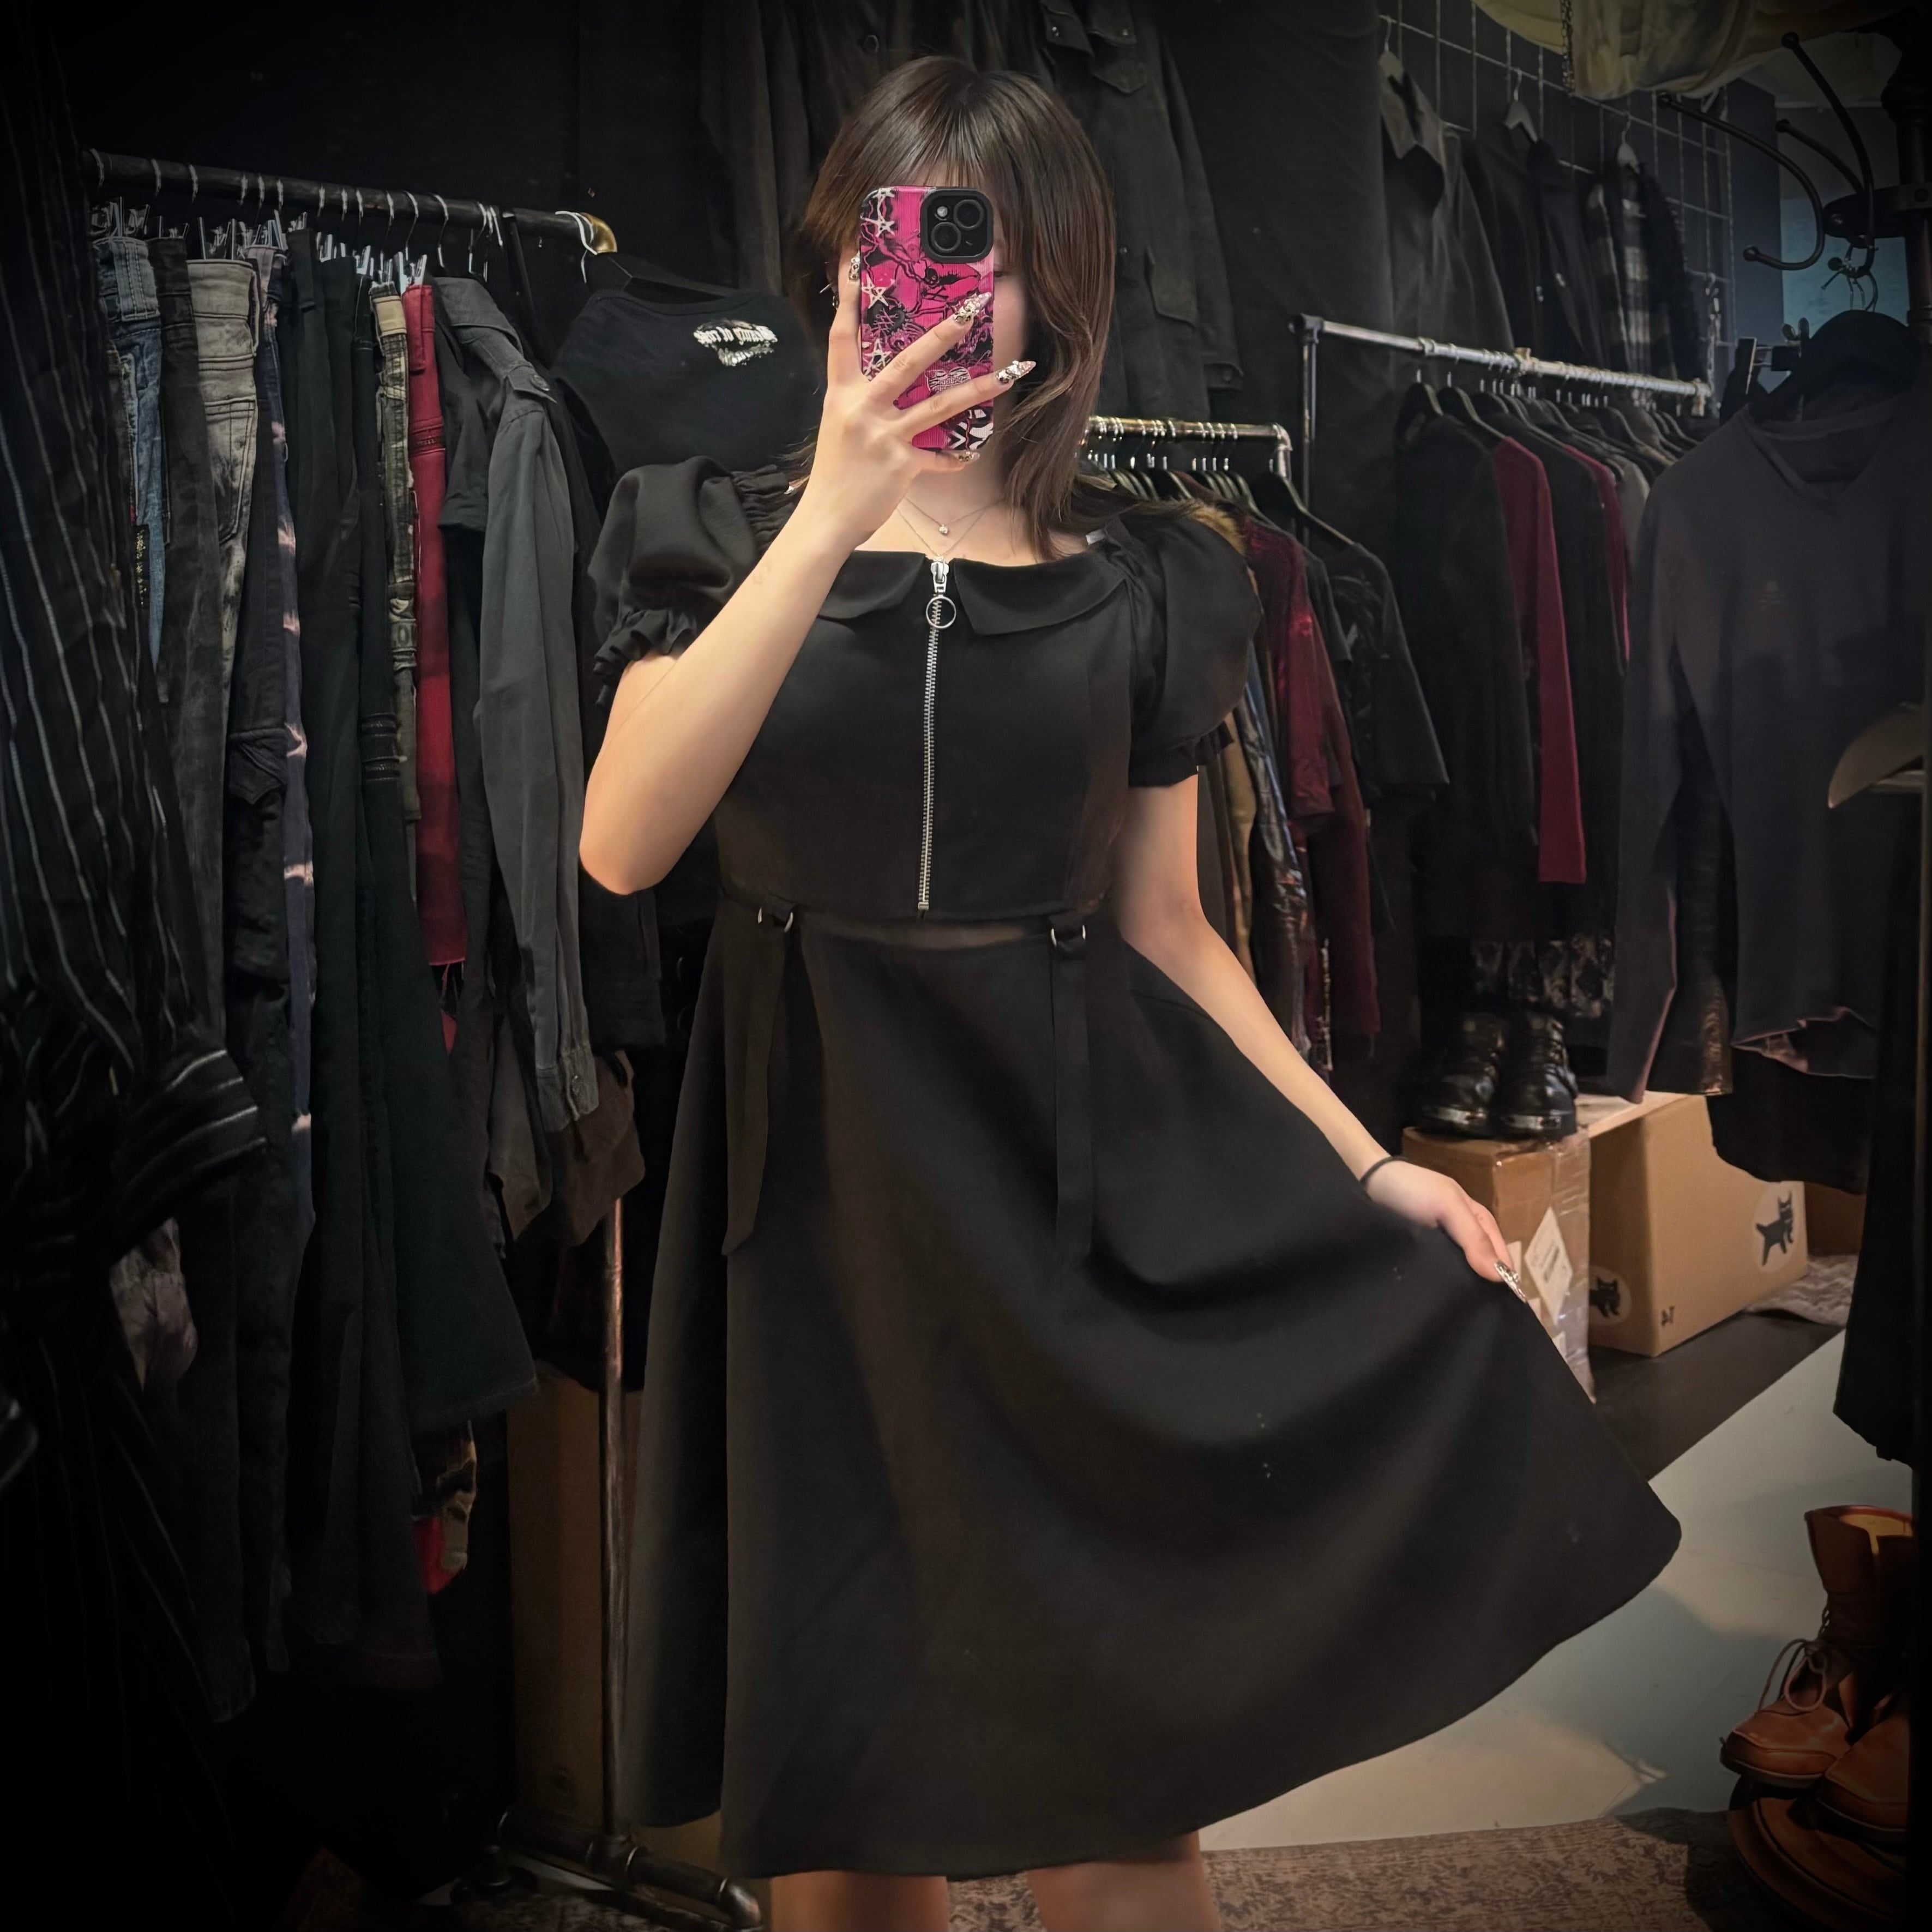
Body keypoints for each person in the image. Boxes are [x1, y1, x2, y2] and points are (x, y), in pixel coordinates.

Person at [581, 57, 1677, 1932]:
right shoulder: (708, 528)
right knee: (844, 1791)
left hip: (1072, 1198)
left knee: (1113, 1789)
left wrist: (1366, 1168)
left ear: (1058, 289)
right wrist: (831, 514)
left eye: (976, 250)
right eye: (892, 243)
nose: (928, 290)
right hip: (816, 1212)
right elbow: (624, 841)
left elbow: (1173, 928)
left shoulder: (1152, 582)